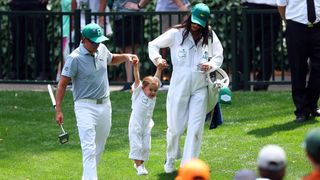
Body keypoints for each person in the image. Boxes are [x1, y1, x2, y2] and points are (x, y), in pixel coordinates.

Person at [55, 23, 139, 180]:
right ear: (83, 40)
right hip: (84, 106)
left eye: (99, 41)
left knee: (99, 147)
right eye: (94, 42)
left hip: (105, 105)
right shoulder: (74, 59)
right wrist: (58, 109)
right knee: (88, 148)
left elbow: (111, 59)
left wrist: (126, 57)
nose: (97, 44)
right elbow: (62, 84)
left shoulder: (101, 49)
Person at [148, 3, 224, 172]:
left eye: (200, 23)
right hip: (179, 85)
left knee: (196, 128)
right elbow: (152, 45)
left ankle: (187, 166)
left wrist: (210, 65)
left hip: (200, 86)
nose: (196, 25)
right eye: (194, 21)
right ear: (190, 17)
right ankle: (170, 158)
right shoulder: (176, 33)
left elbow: (219, 56)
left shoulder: (210, 35)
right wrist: (158, 59)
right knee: (175, 128)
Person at [277, 0, 320, 122]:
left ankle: (311, 105)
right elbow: (281, 6)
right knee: (298, 69)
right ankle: (301, 110)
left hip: (318, 27)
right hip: (296, 27)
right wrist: (289, 23)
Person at [128, 62, 164, 175]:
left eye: (155, 91)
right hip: (136, 124)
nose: (153, 93)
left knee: (146, 147)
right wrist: (135, 66)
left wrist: (159, 69)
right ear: (143, 88)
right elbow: (137, 78)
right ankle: (139, 167)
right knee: (137, 145)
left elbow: (156, 80)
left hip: (147, 124)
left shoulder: (152, 96)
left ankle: (140, 164)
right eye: (151, 90)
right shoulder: (138, 93)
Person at [237, 0, 281, 91]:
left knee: (246, 47)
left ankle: (242, 82)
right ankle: (262, 83)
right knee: (268, 49)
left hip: (252, 7)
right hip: (273, 9)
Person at [113, 0, 150, 91]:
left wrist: (139, 6)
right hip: (120, 17)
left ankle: (132, 83)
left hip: (132, 17)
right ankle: (132, 82)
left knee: (130, 51)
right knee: (126, 51)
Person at [8, 0, 50, 80]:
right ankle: (17, 71)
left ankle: (44, 72)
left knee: (39, 40)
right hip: (18, 4)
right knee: (17, 40)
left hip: (36, 4)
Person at [56, 0, 72, 82]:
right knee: (66, 55)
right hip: (68, 31)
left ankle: (59, 78)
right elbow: (74, 9)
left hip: (68, 31)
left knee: (65, 56)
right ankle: (60, 78)